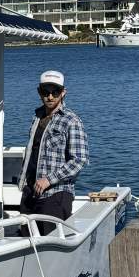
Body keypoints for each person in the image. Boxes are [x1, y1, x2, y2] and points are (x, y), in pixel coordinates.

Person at [18, 68, 88, 229]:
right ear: (39, 92)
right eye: (45, 91)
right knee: (27, 243)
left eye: (55, 92)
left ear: (63, 92)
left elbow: (79, 160)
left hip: (56, 195)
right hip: (31, 192)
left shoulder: (71, 120)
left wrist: (48, 179)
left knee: (52, 245)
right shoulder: (37, 117)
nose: (50, 96)